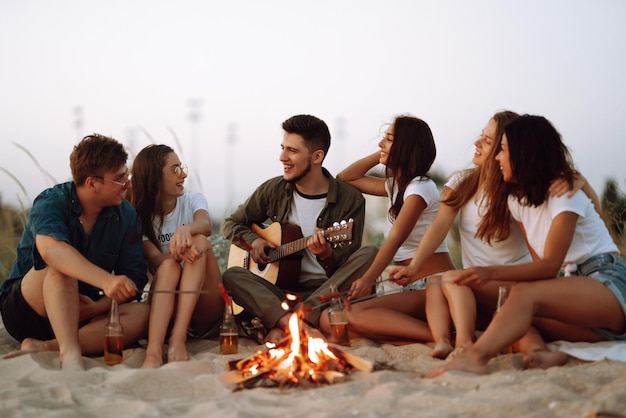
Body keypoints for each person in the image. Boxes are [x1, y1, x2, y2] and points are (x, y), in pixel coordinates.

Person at [428, 114, 626, 376]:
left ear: (523, 154)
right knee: (507, 313)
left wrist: (489, 272)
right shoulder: (517, 201)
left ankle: (473, 358)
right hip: (582, 301)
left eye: (503, 150)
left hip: (607, 283)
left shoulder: (563, 193)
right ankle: (541, 353)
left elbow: (548, 266)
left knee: (521, 295)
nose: (497, 157)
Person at [391, 111, 599, 359]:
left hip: (511, 281)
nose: (477, 143)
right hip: (477, 283)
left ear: (509, 148)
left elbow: (552, 245)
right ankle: (446, 342)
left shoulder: (515, 194)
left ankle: (467, 344)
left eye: (489, 142)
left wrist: (582, 182)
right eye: (482, 137)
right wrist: (414, 267)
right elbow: (438, 228)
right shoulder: (462, 182)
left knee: (457, 282)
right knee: (438, 281)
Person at [221, 114, 378, 343]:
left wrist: (326, 256)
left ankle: (286, 323)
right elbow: (231, 223)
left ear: (317, 156)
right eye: (283, 148)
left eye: (292, 151)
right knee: (232, 275)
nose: (282, 157)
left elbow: (346, 266)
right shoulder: (274, 189)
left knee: (372, 254)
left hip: (325, 291)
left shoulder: (349, 199)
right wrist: (254, 241)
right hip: (279, 293)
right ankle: (299, 323)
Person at [0, 134, 149, 370]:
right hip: (29, 310)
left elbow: (135, 276)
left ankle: (47, 346)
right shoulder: (52, 202)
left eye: (126, 176)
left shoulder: (126, 215)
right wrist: (106, 280)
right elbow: (51, 251)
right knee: (61, 267)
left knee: (142, 314)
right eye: (119, 179)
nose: (127, 184)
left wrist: (96, 307)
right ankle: (70, 354)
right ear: (92, 183)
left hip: (84, 312)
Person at [318, 115, 455, 343]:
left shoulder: (420, 188)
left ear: (406, 147)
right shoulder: (395, 187)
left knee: (343, 316)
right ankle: (432, 335)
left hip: (433, 284)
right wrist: (384, 154)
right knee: (331, 322)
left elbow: (395, 239)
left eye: (389, 139)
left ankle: (441, 338)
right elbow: (345, 178)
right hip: (407, 286)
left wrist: (368, 279)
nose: (381, 144)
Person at [129, 144, 224, 368]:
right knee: (170, 267)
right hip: (167, 304)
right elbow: (156, 262)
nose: (183, 174)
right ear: (154, 178)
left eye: (181, 167)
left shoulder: (192, 200)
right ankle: (153, 352)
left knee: (199, 241)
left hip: (204, 308)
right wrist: (179, 252)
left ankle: (178, 340)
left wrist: (186, 230)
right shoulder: (138, 219)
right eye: (174, 169)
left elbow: (205, 225)